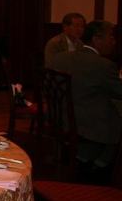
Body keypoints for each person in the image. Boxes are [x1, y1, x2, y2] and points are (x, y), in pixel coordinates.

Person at [50, 21, 122, 183]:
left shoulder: (61, 58)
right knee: (117, 117)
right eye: (110, 37)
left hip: (62, 118)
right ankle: (99, 165)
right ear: (96, 39)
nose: (114, 41)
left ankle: (83, 159)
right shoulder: (104, 66)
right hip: (88, 125)